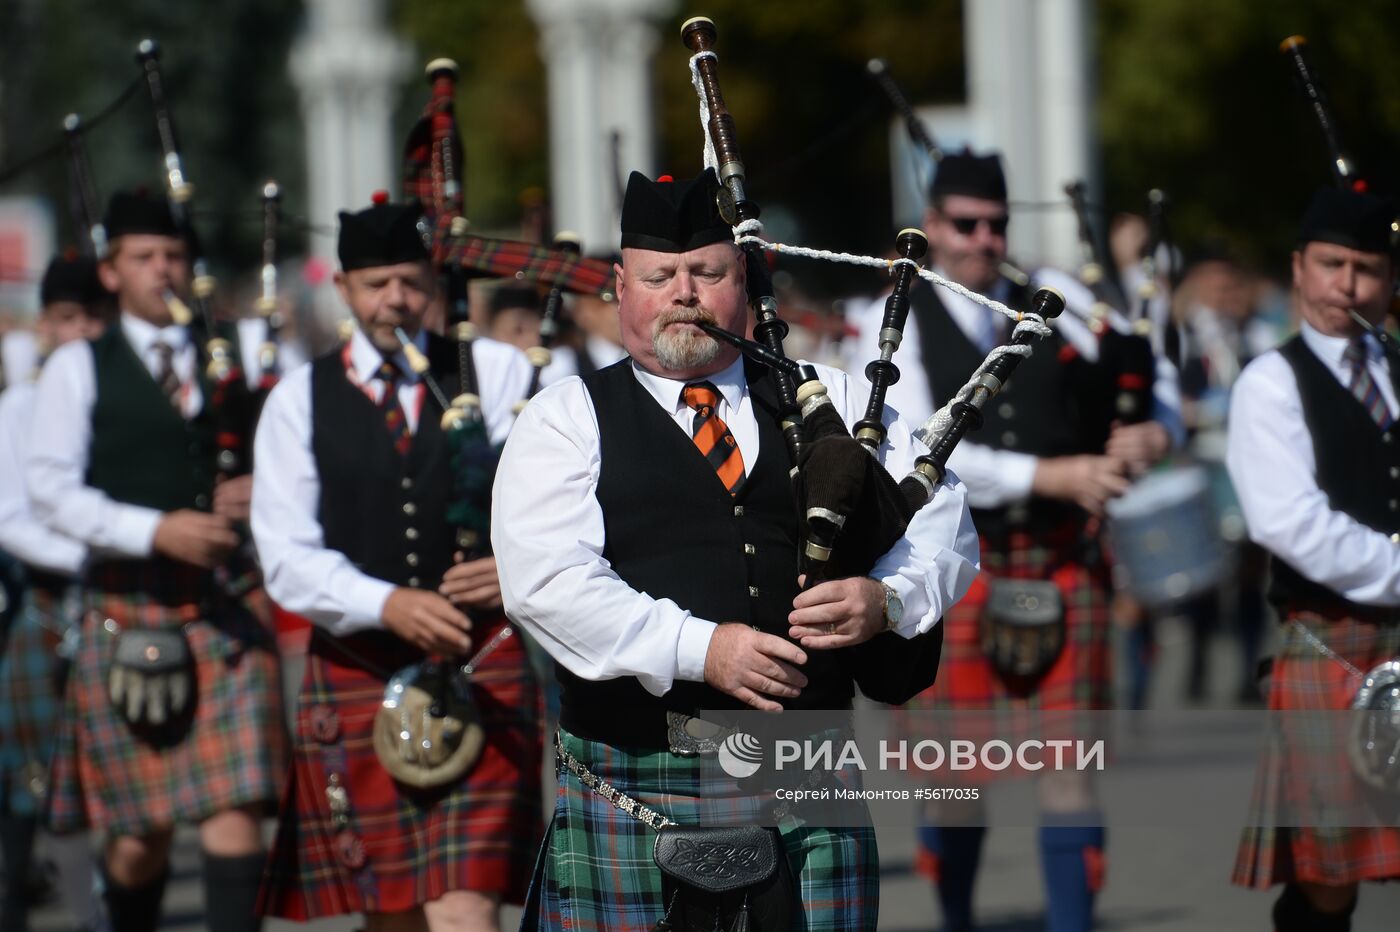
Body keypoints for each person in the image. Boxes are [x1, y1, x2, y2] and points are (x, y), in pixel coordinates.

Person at [494, 168, 980, 931]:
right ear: (621, 286)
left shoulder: (836, 399)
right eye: (658, 276)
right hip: (636, 771)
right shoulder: (565, 419)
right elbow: (546, 583)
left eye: (706, 272)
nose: (683, 293)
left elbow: (939, 517)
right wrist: (700, 648)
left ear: (746, 282)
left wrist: (886, 600)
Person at [846, 151, 1178, 932]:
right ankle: (958, 917)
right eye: (966, 224)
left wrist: (1151, 434)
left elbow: (1150, 375)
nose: (985, 239)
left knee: (1069, 771)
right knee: (954, 783)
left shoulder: (1060, 300)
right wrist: (1054, 475)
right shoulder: (891, 316)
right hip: (955, 567)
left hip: (1063, 561)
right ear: (932, 227)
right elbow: (923, 444)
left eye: (997, 223)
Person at [251, 198, 543, 931]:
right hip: (360, 663)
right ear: (344, 288)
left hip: (486, 661)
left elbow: (565, 502)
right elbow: (284, 556)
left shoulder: (498, 372)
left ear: (434, 285)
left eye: (411, 281)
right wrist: (387, 603)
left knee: (467, 908)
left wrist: (520, 568)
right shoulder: (298, 400)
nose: (396, 300)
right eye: (377, 283)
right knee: (392, 914)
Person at [24, 190, 287, 932]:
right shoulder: (80, 365)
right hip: (129, 605)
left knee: (236, 817)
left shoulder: (230, 354)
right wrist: (154, 530)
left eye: (173, 256)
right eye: (144, 258)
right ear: (111, 272)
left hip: (226, 604)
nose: (162, 271)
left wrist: (257, 487)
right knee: (141, 837)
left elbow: (291, 460)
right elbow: (49, 489)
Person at [1229, 186, 1400, 932]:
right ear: (1299, 268)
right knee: (1332, 877)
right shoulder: (1272, 382)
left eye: (1367, 268)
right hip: (1334, 639)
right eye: (1332, 263)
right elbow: (1291, 523)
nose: (1348, 286)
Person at [0, 253, 109, 932]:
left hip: (121, 600)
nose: (82, 333)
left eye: (95, 319)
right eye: (69, 318)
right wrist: (95, 551)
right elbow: (9, 515)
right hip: (44, 602)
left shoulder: (126, 395)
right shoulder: (20, 405)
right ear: (45, 325)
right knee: (33, 783)